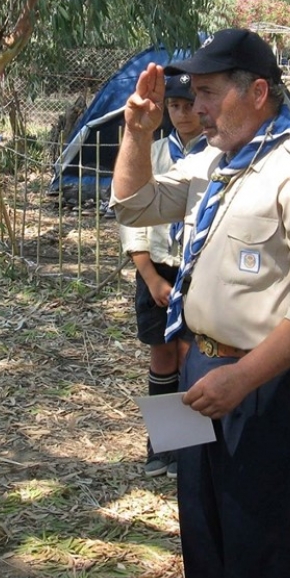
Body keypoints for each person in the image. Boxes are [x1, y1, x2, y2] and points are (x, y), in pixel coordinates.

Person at [112, 28, 290, 578]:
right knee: (203, 531)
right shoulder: (217, 159)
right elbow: (135, 205)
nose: (195, 108)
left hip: (267, 383)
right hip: (204, 370)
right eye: (191, 94)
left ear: (256, 92)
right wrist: (136, 133)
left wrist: (242, 379)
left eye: (206, 94)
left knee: (257, 541)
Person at [118, 69, 210, 478]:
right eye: (174, 105)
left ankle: (186, 445)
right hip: (156, 269)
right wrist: (150, 278)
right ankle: (161, 443)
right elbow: (132, 220)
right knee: (162, 353)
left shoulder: (216, 156)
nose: (183, 114)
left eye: (190, 105)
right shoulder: (152, 152)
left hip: (196, 270)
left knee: (190, 355)